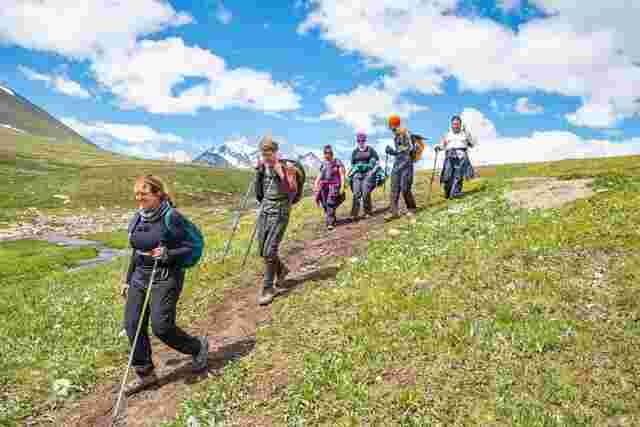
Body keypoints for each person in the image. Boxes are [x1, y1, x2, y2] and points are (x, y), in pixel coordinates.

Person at [121, 175, 208, 391]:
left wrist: (168, 253)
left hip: (166, 275)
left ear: (158, 194)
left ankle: (197, 347)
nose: (139, 198)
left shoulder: (172, 217)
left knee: (162, 327)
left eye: (144, 194)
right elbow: (136, 251)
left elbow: (190, 247)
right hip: (140, 276)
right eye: (137, 194)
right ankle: (145, 374)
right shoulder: (139, 218)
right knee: (132, 324)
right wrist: (127, 280)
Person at [254, 136, 293, 305]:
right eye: (264, 154)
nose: (267, 157)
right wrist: (258, 172)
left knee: (270, 251)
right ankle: (282, 270)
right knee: (263, 250)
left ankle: (268, 288)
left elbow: (291, 190)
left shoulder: (283, 167)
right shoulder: (263, 168)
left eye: (269, 154)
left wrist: (284, 173)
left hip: (280, 210)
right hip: (265, 209)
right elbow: (259, 192)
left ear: (275, 152)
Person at [435, 115, 476, 198]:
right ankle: (448, 192)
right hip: (450, 156)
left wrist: (469, 138)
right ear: (451, 125)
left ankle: (455, 193)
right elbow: (442, 145)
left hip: (461, 157)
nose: (456, 126)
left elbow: (472, 144)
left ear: (460, 125)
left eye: (457, 124)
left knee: (458, 175)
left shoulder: (465, 134)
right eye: (454, 124)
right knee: (447, 175)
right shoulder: (447, 134)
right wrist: (438, 147)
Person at [385, 115, 417, 219]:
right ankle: (393, 212)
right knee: (394, 187)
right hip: (397, 163)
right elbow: (400, 150)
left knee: (405, 188)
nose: (391, 128)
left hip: (407, 163)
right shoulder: (396, 135)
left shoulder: (405, 132)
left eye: (392, 125)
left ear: (395, 124)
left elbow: (410, 148)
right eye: (391, 126)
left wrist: (394, 151)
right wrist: (393, 152)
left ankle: (411, 208)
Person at [314, 144, 346, 231]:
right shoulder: (323, 164)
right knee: (325, 204)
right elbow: (320, 175)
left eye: (328, 153)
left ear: (331, 154)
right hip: (324, 186)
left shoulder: (337, 162)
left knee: (330, 202)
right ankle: (332, 217)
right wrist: (316, 184)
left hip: (335, 185)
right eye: (325, 153)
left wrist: (342, 186)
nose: (326, 155)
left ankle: (330, 223)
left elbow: (342, 175)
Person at [349, 132, 380, 219]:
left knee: (366, 193)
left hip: (368, 174)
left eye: (362, 140)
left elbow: (377, 162)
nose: (361, 142)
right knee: (356, 193)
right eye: (359, 141)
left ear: (365, 141)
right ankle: (354, 214)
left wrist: (372, 172)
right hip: (357, 174)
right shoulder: (355, 152)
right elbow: (352, 165)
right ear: (357, 141)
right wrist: (353, 172)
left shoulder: (370, 150)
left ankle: (368, 212)